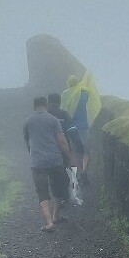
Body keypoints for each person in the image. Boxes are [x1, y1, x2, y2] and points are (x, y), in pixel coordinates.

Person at [23, 96, 75, 231]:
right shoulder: (53, 120)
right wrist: (70, 156)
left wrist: (33, 154)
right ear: (45, 105)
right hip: (55, 160)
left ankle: (49, 222)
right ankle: (56, 215)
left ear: (34, 106)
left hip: (37, 163)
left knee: (42, 191)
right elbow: (62, 141)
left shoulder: (28, 121)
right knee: (58, 188)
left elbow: (27, 142)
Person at [48, 92, 85, 205]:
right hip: (63, 147)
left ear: (48, 102)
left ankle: (55, 198)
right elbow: (72, 131)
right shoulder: (64, 114)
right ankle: (62, 196)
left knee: (52, 173)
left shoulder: (45, 115)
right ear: (59, 102)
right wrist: (80, 146)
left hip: (47, 148)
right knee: (63, 171)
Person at [61, 71, 101, 177]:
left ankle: (78, 172)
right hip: (84, 126)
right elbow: (93, 103)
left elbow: (63, 110)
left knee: (76, 150)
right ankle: (84, 171)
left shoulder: (65, 94)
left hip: (71, 127)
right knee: (86, 150)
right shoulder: (85, 93)